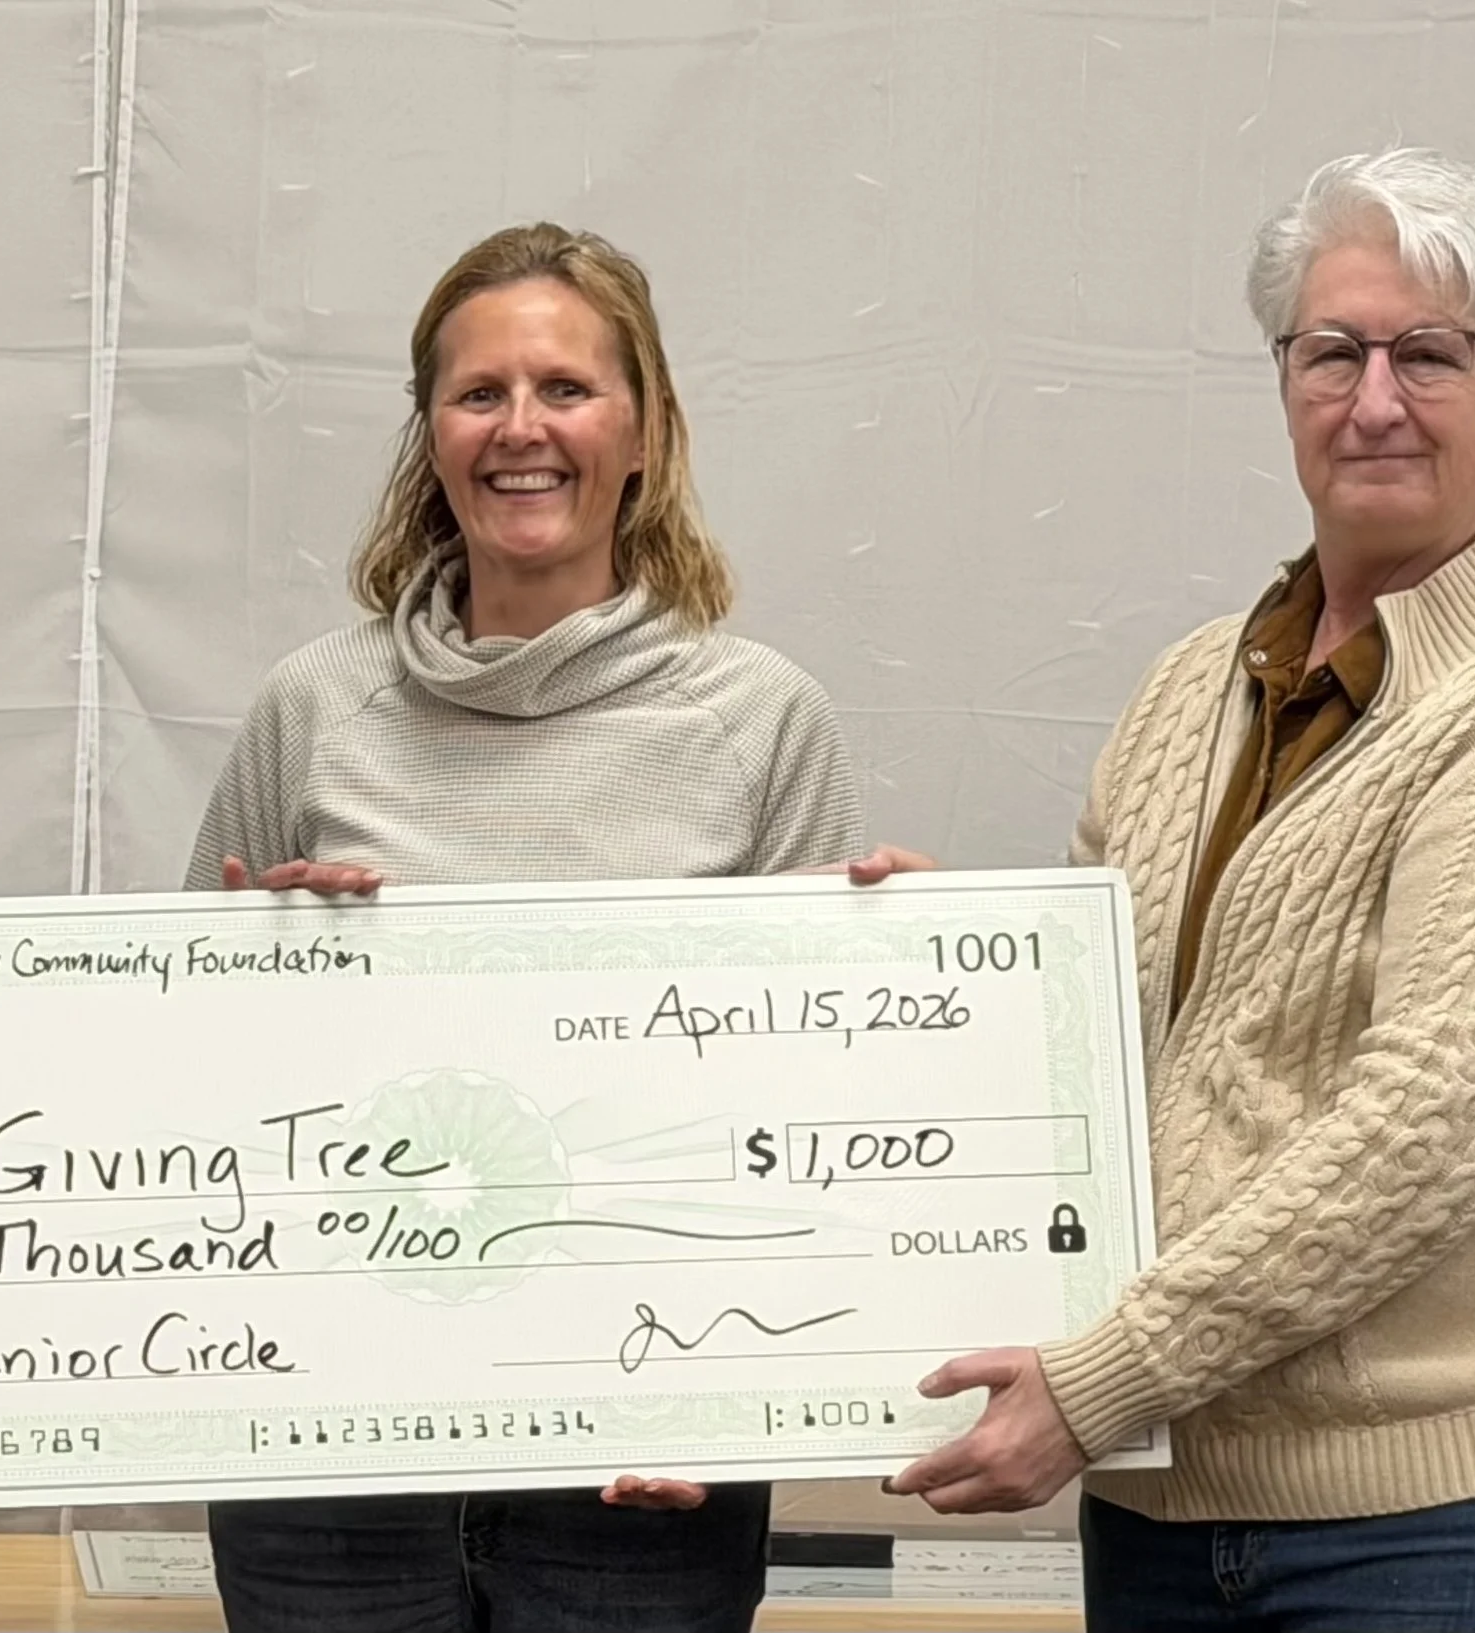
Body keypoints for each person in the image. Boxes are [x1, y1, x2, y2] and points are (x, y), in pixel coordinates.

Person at [883, 148, 1475, 1631]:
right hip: (1176, 1502)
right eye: (1333, 351)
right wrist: (942, 974)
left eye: (1428, 353)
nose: (1375, 399)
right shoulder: (1193, 687)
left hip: (1472, 1518)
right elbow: (1111, 1049)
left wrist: (1098, 1379)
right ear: (1285, 378)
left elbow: (1422, 1133)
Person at [184, 221, 870, 1633]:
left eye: (566, 389)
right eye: (478, 393)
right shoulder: (313, 706)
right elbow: (179, 1073)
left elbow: (805, 1114)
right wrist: (258, 974)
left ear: (646, 428)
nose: (521, 429)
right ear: (430, 433)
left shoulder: (762, 721)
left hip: (638, 1469)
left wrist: (730, 1403)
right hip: (327, 1469)